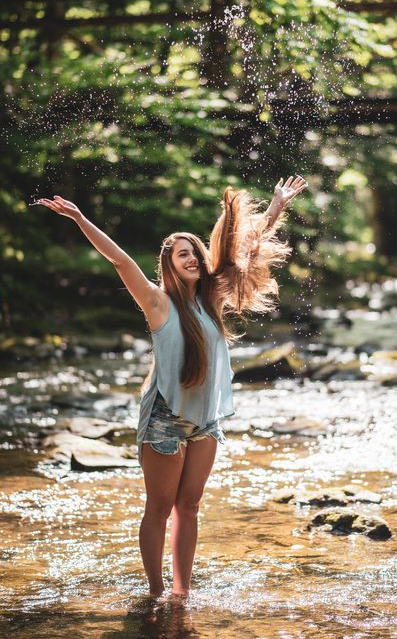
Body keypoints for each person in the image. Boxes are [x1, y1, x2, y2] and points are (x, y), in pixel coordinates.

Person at [36, 175, 307, 599]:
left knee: (190, 506)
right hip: (164, 417)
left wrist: (276, 205)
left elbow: (246, 250)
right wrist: (80, 218)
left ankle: (181, 593)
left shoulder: (212, 298)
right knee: (159, 508)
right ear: (169, 263)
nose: (193, 259)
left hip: (206, 420)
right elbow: (121, 261)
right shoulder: (156, 301)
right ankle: (156, 592)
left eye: (195, 253)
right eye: (183, 255)